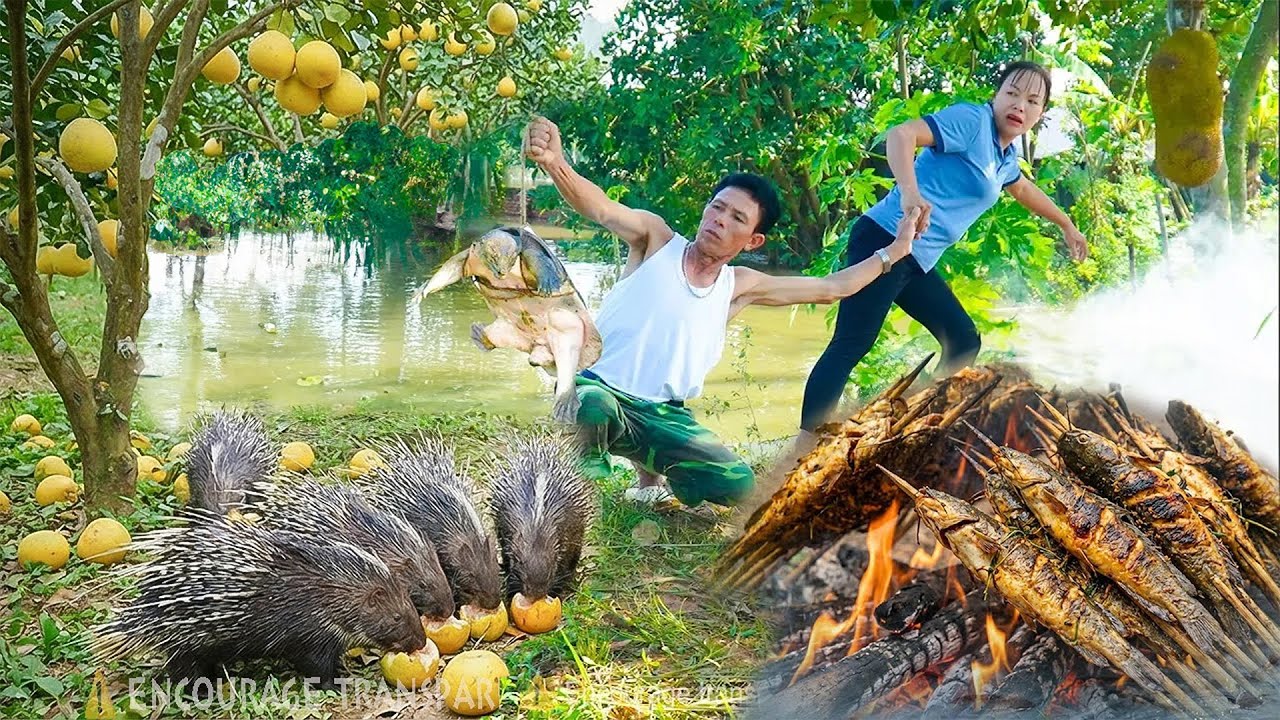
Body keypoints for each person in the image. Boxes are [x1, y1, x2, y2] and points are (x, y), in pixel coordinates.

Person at [524, 116, 922, 508]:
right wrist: (555, 163)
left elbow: (832, 288)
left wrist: (894, 252)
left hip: (661, 415)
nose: (719, 220)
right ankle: (580, 484)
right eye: (717, 208)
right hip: (598, 390)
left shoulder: (739, 286)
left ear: (753, 240)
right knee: (591, 404)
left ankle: (653, 477)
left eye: (737, 218)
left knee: (737, 484)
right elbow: (602, 209)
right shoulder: (656, 239)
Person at [800, 61, 1089, 433]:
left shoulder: (1005, 158)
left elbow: (1022, 189)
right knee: (852, 343)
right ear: (996, 96)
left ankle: (912, 425)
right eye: (1012, 94)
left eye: (1032, 101)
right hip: (885, 238)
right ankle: (805, 446)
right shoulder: (972, 122)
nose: (1020, 105)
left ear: (1040, 114)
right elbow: (901, 135)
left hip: (915, 261)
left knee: (963, 340)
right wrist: (910, 193)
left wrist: (1066, 224)